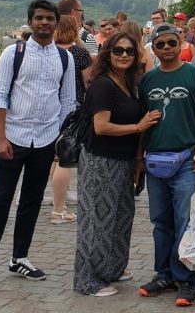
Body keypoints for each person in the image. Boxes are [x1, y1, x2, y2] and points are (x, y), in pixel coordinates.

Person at [0, 0, 76, 294]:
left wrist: (59, 139)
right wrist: (0, 138)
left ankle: (19, 257)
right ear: (30, 21)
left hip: (46, 138)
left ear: (56, 22)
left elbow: (67, 101)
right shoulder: (14, 52)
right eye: (39, 18)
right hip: (14, 137)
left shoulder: (65, 58)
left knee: (31, 201)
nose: (44, 23)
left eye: (49, 18)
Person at [137, 23, 195, 305]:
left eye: (172, 43)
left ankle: (186, 279)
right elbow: (142, 122)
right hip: (155, 160)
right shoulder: (147, 81)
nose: (167, 48)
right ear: (154, 48)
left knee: (185, 220)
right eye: (161, 45)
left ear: (180, 42)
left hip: (185, 159)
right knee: (160, 222)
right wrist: (139, 159)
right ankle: (164, 274)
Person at [75, 31, 156, 297]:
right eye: (118, 50)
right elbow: (101, 127)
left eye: (129, 51)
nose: (124, 55)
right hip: (100, 161)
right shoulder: (103, 85)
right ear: (108, 53)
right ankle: (89, 280)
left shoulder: (126, 82)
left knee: (120, 217)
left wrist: (137, 159)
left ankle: (111, 267)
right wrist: (138, 126)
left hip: (122, 161)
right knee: (97, 220)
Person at [48, 15, 93, 225]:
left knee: (55, 156)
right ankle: (60, 208)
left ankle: (59, 197)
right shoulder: (79, 53)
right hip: (74, 108)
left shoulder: (50, 51)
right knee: (65, 158)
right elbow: (88, 81)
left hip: (50, 107)